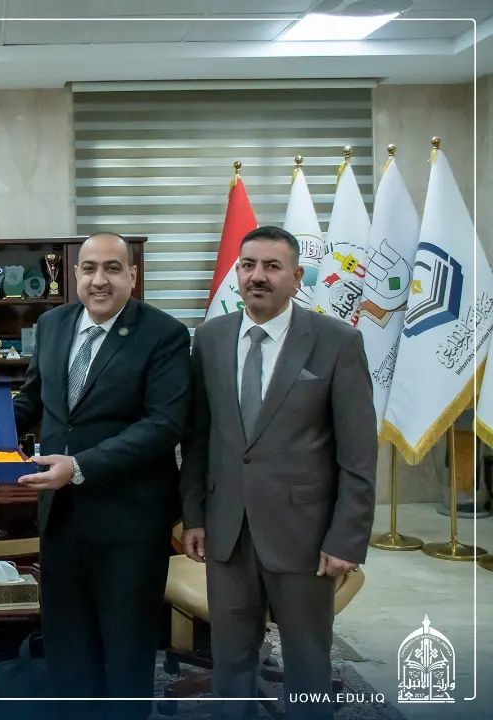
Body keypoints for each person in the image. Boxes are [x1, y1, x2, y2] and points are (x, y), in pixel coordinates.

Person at [180, 225, 377, 720]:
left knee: (308, 662)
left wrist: (347, 538)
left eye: (272, 266)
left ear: (296, 277)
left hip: (304, 535)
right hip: (228, 531)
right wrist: (194, 515)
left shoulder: (336, 342)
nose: (257, 276)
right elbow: (198, 438)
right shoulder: (210, 339)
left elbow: (358, 454)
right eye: (248, 265)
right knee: (230, 659)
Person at [13, 232, 191, 720]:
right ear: (75, 274)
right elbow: (35, 398)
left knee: (126, 648)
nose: (99, 280)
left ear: (132, 275)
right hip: (60, 516)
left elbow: (163, 425)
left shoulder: (165, 334)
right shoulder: (52, 323)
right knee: (67, 644)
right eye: (89, 268)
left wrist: (80, 467)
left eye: (112, 268)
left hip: (129, 520)